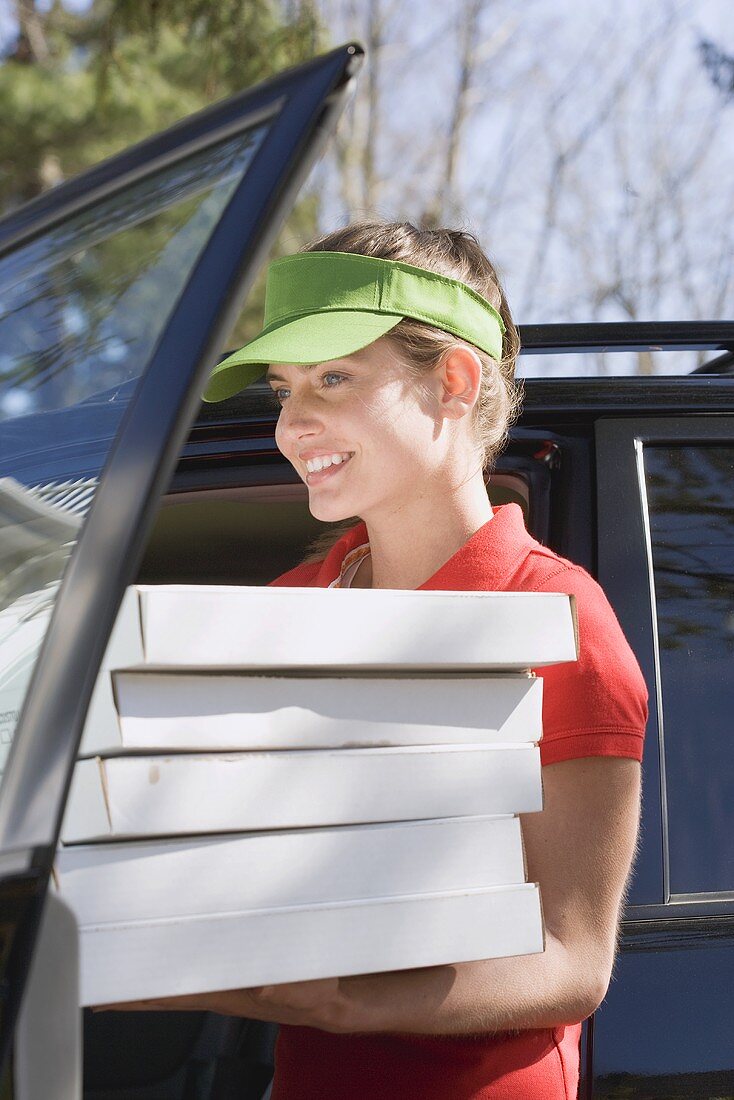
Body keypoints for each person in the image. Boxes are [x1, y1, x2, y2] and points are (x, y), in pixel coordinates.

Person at [120, 221, 649, 1099]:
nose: (293, 423)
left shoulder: (558, 623)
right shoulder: (283, 611)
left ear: (453, 380)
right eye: (285, 389)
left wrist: (355, 998)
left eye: (333, 378)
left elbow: (573, 961)